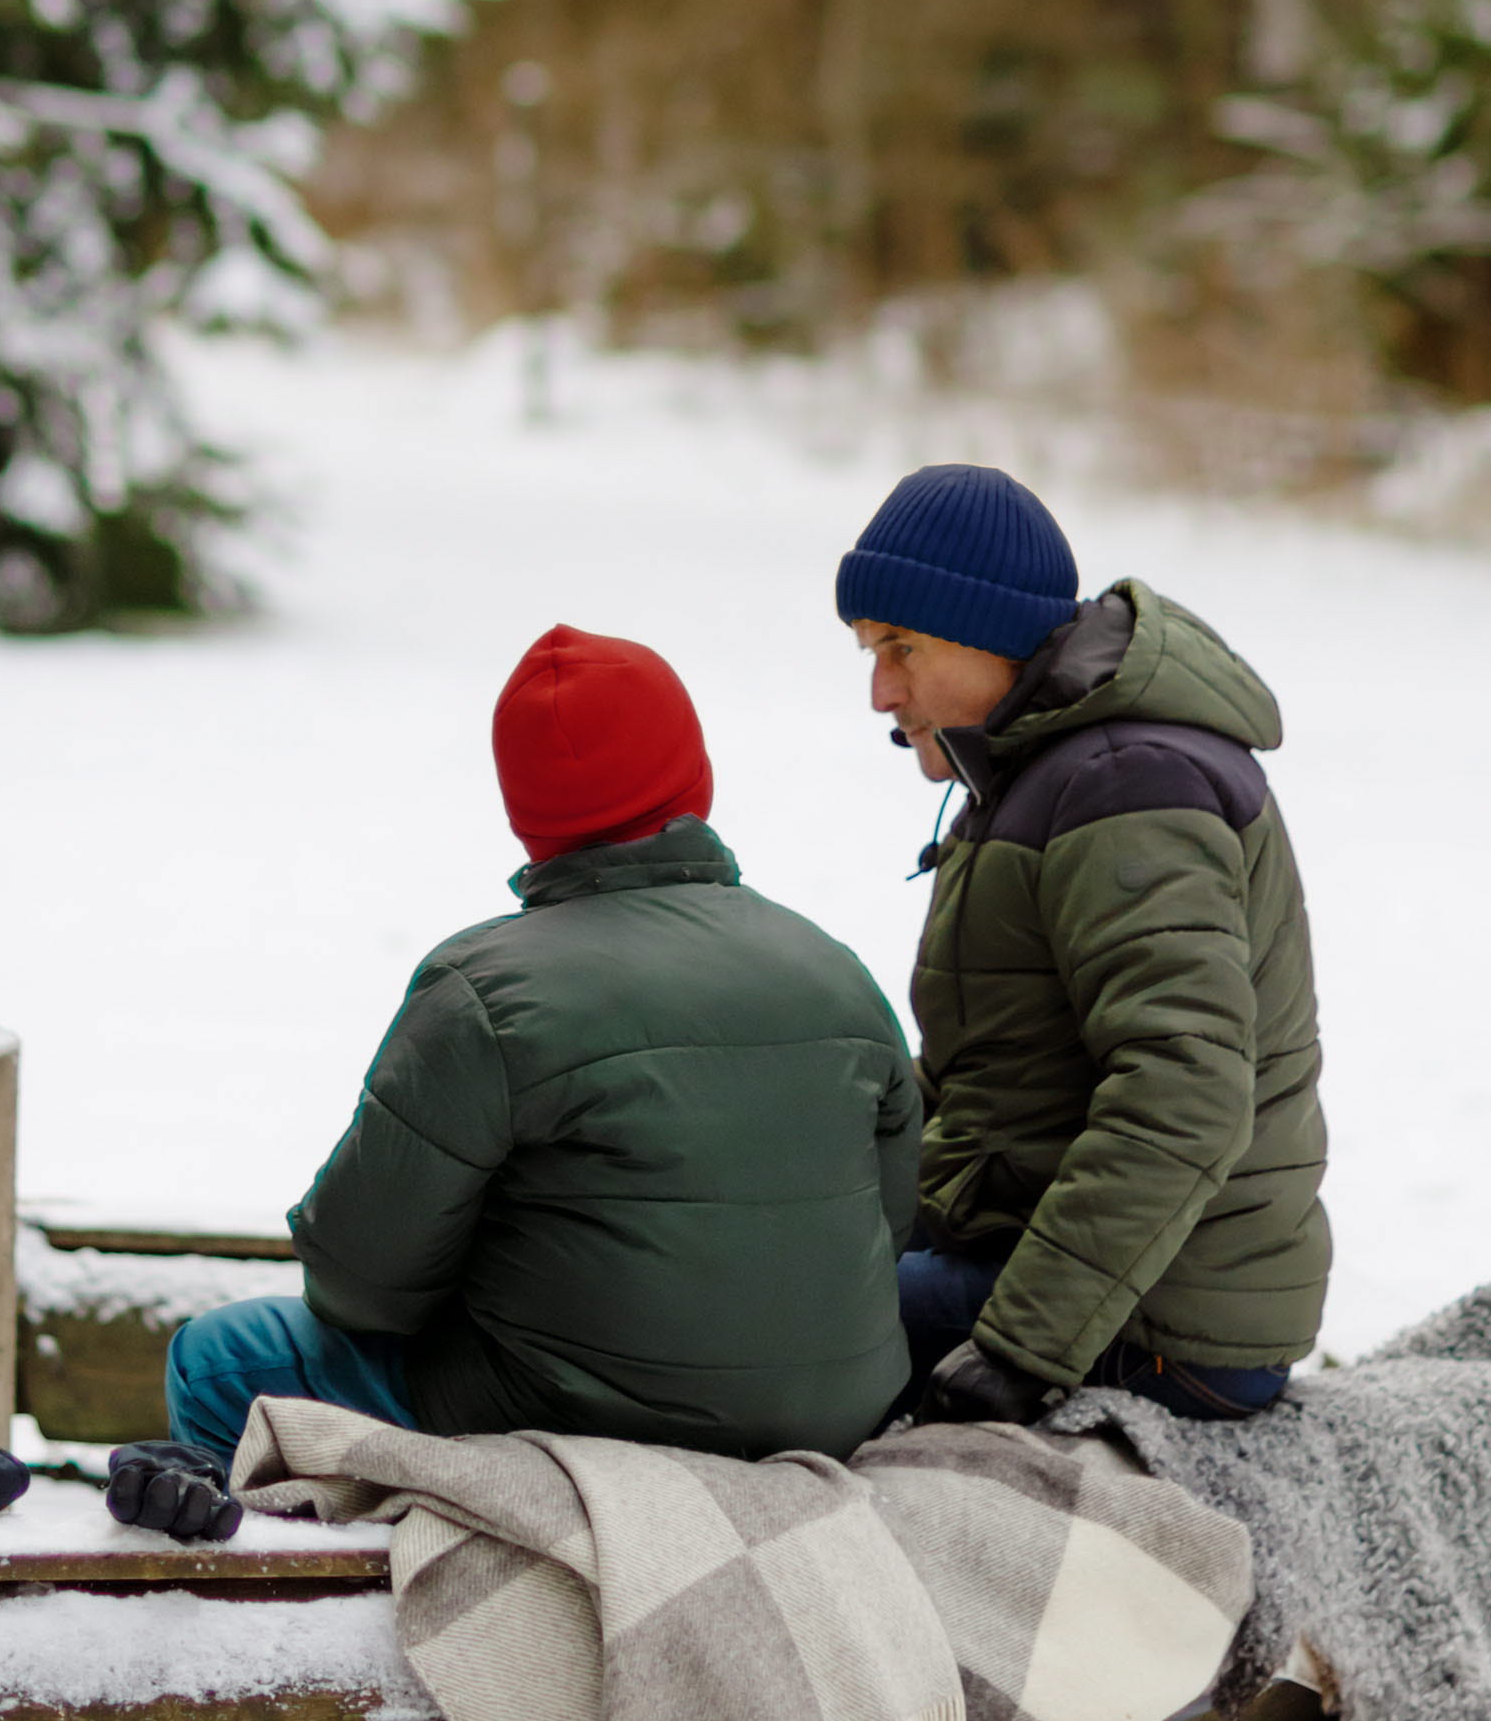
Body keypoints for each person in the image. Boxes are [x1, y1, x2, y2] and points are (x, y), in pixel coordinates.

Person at [107, 624, 921, 1542]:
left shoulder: (485, 990)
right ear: (695, 782)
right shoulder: (834, 967)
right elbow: (889, 1223)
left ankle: (310, 1617)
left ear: (528, 810)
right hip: (833, 1414)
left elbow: (360, 1282)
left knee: (218, 1362)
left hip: (569, 1424)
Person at [838, 462, 1329, 1432]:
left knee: (779, 1328)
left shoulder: (1123, 785)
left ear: (989, 634)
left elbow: (1181, 1093)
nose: (877, 691)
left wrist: (1021, 1350)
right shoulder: (1038, 770)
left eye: (900, 648)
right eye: (865, 651)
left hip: (1167, 1319)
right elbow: (993, 1073)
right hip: (1067, 1266)